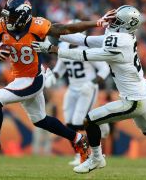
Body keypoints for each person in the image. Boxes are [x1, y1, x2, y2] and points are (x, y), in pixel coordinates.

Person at [32, 5, 146, 175]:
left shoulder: (120, 43)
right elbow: (85, 41)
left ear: (127, 24)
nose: (112, 23)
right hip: (141, 91)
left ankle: (97, 158)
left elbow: (86, 55)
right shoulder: (121, 37)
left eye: (117, 21)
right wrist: (55, 33)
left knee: (90, 120)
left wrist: (54, 50)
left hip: (134, 99)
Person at [0, 0, 113, 160]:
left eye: (11, 16)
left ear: (23, 16)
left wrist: (96, 23)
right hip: (20, 78)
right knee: (41, 120)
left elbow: (65, 29)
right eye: (6, 15)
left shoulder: (37, 26)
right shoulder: (2, 26)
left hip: (32, 79)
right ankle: (78, 139)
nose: (6, 19)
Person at [45, 27, 110, 165]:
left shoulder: (87, 47)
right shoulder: (63, 46)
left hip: (87, 88)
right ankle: (80, 155)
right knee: (69, 125)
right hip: (72, 88)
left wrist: (92, 83)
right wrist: (53, 77)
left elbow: (104, 69)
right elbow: (60, 68)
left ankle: (99, 124)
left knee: (77, 121)